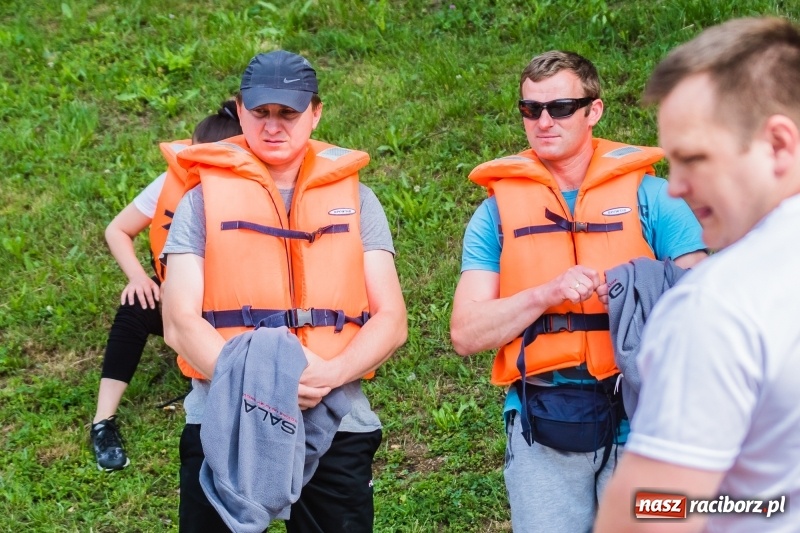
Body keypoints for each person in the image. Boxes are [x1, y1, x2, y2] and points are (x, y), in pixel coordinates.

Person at [449, 50, 707, 532]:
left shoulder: (651, 198)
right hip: (542, 419)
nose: (544, 121)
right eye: (531, 109)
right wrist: (545, 294)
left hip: (644, 418)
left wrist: (638, 288)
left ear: (594, 111)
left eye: (561, 107)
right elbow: (466, 332)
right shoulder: (495, 214)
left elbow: (709, 303)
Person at [160, 50, 407, 532]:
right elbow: (178, 322)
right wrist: (262, 388)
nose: (273, 126)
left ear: (315, 112)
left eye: (288, 113)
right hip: (224, 421)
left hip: (336, 420)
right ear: (240, 109)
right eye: (261, 113)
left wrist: (331, 374)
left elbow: (392, 320)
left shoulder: (358, 200)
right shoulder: (199, 203)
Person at [595, 17, 800, 533]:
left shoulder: (718, 305)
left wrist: (763, 508)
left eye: (693, 159)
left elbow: (650, 512)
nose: (675, 188)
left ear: (778, 144)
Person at [89, 101, 242, 472]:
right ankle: (102, 422)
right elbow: (117, 229)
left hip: (240, 309)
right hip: (183, 302)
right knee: (135, 306)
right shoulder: (172, 183)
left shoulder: (257, 191)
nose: (196, 171)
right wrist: (139, 278)